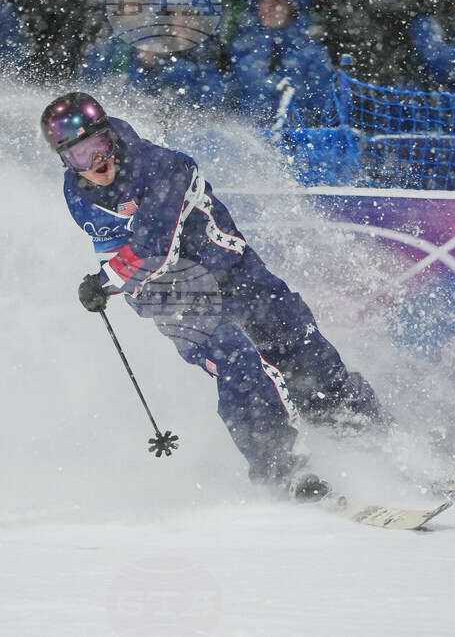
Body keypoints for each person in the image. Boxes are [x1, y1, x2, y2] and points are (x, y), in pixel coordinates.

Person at [40, 92, 384, 501]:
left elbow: (153, 247)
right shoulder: (77, 193)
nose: (97, 163)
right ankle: (281, 469)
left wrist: (106, 281)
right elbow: (119, 249)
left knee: (298, 340)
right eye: (81, 157)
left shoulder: (163, 166)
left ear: (110, 136)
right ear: (65, 161)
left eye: (99, 147)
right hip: (169, 294)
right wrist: (105, 282)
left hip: (229, 268)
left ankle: (369, 436)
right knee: (238, 359)